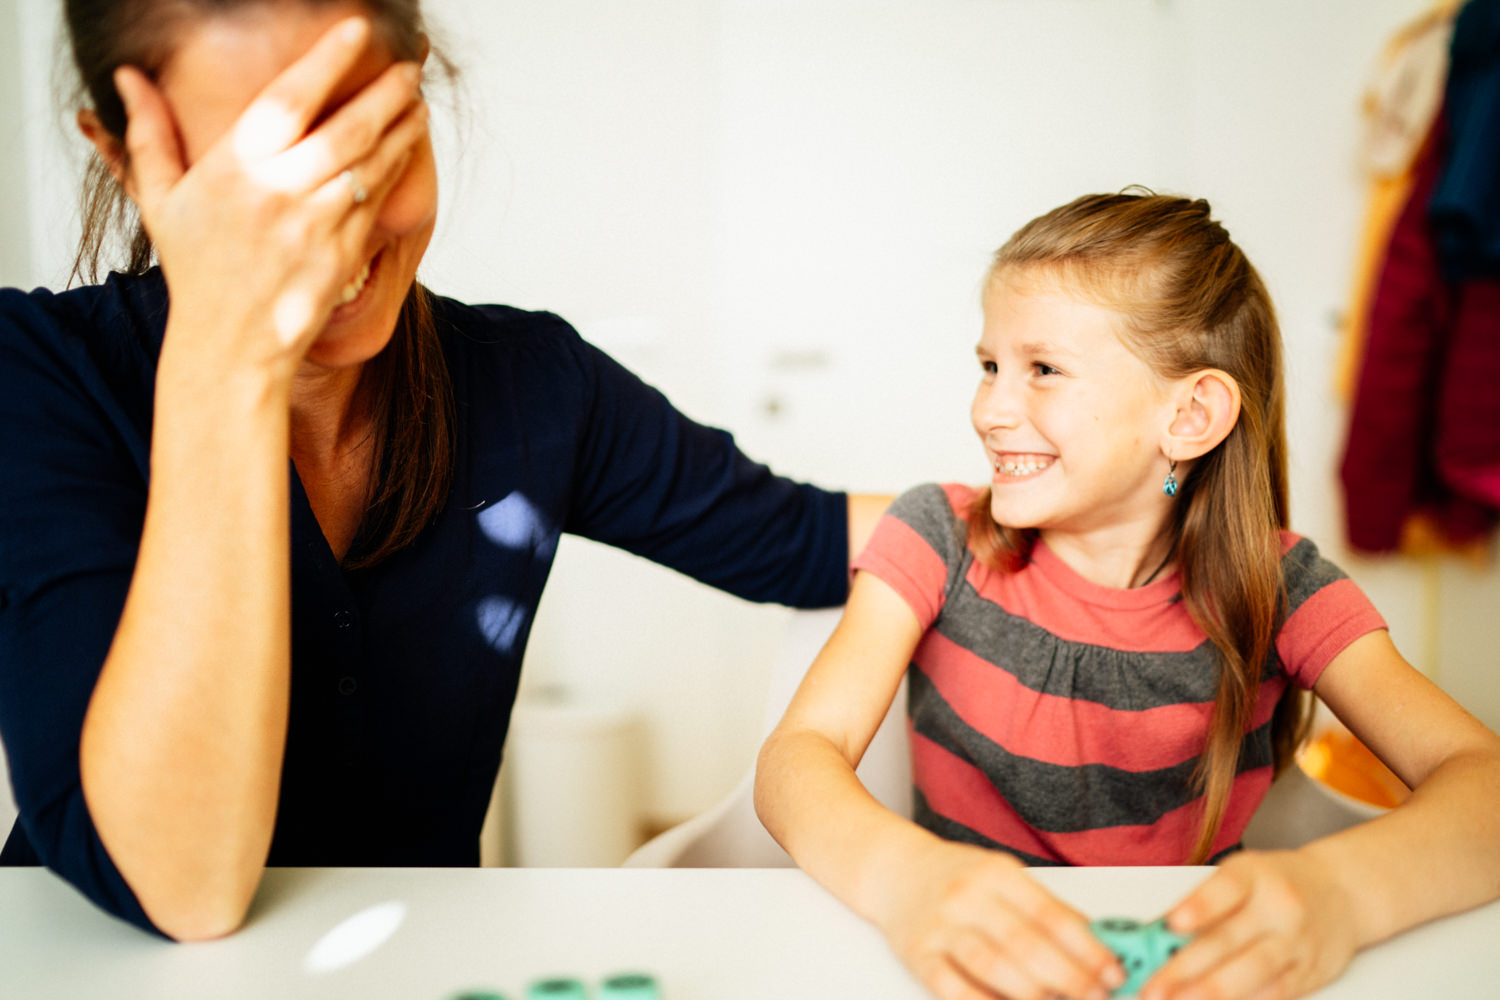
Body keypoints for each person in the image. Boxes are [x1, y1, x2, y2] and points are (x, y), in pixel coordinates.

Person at [0, 0, 887, 941]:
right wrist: (232, 354)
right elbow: (174, 892)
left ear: (418, 91)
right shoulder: (37, 376)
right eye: (256, 180)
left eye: (363, 144)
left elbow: (815, 539)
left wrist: (1050, 470)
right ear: (121, 152)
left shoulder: (537, 382)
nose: (329, 234)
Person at [754, 191, 1500, 1000]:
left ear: (1190, 415)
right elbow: (798, 758)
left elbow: (1483, 782)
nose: (990, 409)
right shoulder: (937, 536)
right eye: (989, 366)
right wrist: (908, 883)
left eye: (1043, 370)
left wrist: (1338, 895)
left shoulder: (1285, 591)